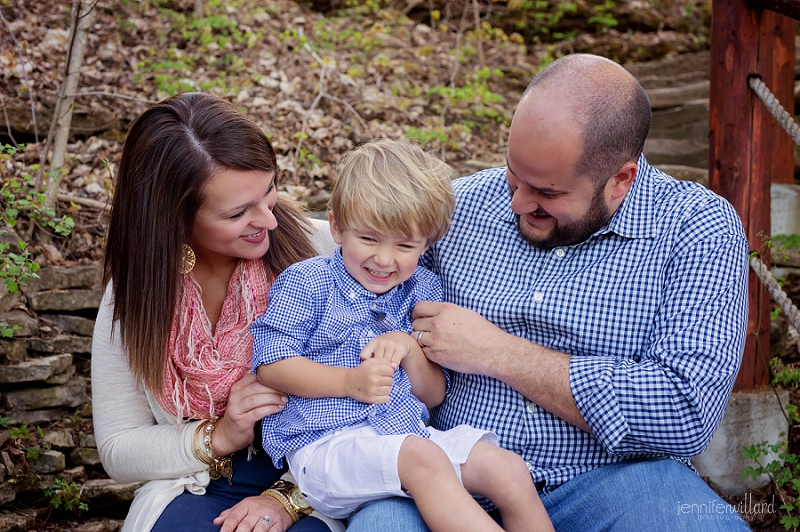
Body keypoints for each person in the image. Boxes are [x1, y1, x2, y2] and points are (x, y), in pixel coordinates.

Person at [346, 54, 751, 531]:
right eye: (513, 175)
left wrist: (501, 354)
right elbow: (351, 326)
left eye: (546, 193)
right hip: (446, 472)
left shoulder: (697, 229)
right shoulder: (459, 207)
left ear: (621, 179)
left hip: (612, 482)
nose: (516, 203)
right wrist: (293, 488)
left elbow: (685, 409)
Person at [250, 138, 554, 532]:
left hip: (405, 434)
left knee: (508, 470)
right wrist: (348, 382)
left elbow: (433, 395)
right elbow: (271, 364)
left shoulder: (423, 291)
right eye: (369, 238)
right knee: (421, 460)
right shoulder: (309, 282)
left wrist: (410, 348)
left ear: (427, 244)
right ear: (338, 227)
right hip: (324, 447)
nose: (384, 258)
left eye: (405, 245)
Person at [92, 92, 341, 532]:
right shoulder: (135, 293)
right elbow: (118, 446)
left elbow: (388, 396)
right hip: (198, 484)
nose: (269, 220)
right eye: (238, 212)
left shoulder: (327, 252)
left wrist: (289, 498)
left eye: (269, 192)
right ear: (174, 219)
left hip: (316, 483)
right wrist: (219, 435)